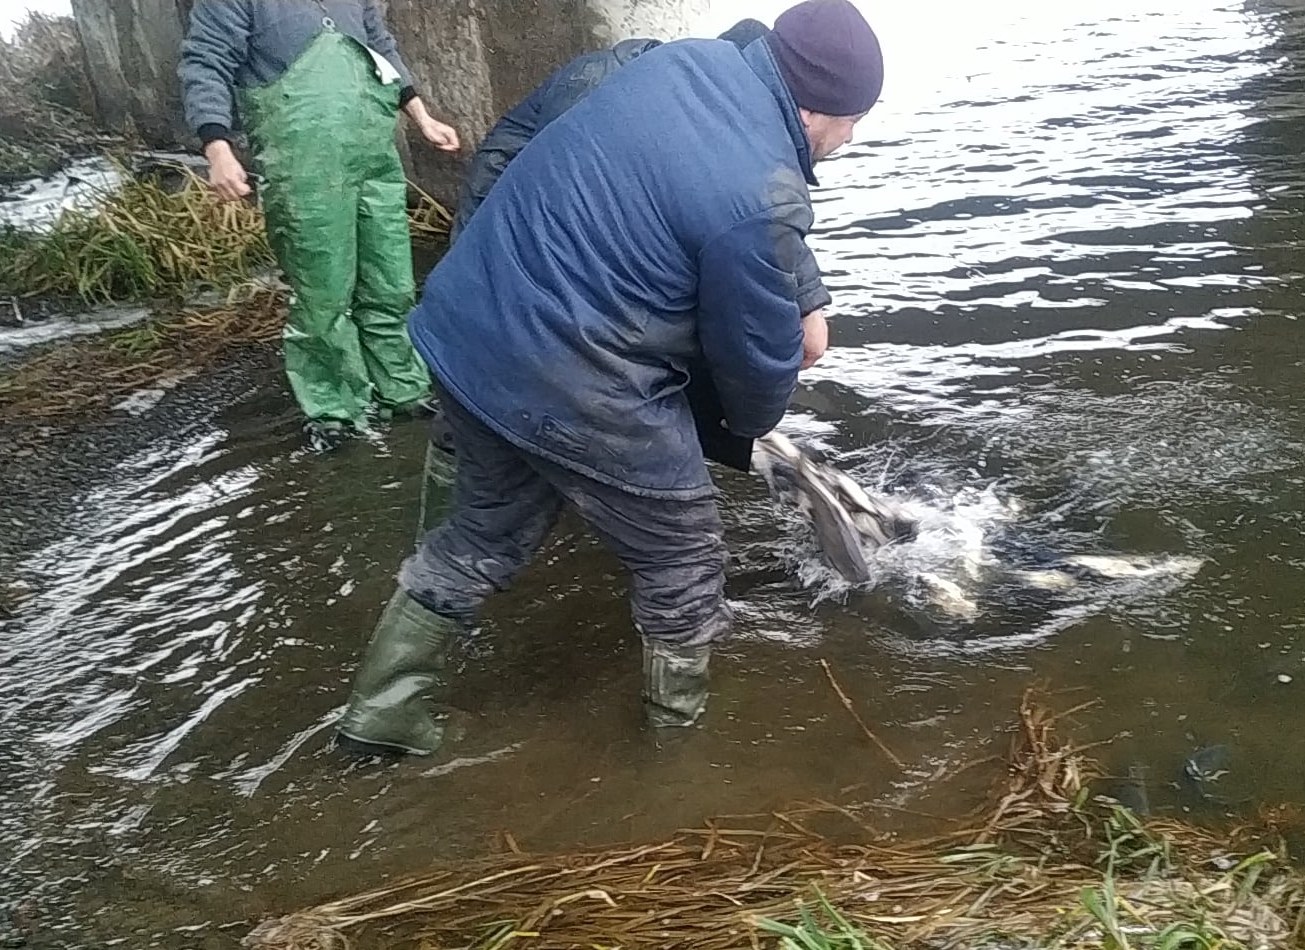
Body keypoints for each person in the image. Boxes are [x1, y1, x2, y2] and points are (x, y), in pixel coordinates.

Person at [335, 0, 884, 755]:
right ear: (821, 107)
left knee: (483, 533)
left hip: (468, 328)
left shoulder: (676, 63)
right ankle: (681, 753)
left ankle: (380, 717)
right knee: (682, 555)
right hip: (569, 366)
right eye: (855, 120)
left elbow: (725, 205)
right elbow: (754, 366)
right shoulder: (762, 193)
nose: (850, 140)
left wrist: (803, 295)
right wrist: (750, 430)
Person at [179, 0, 463, 452]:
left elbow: (380, 46)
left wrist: (421, 116)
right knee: (322, 289)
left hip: (372, 150)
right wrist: (217, 146)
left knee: (389, 278)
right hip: (302, 158)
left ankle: (401, 387)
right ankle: (334, 407)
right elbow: (207, 60)